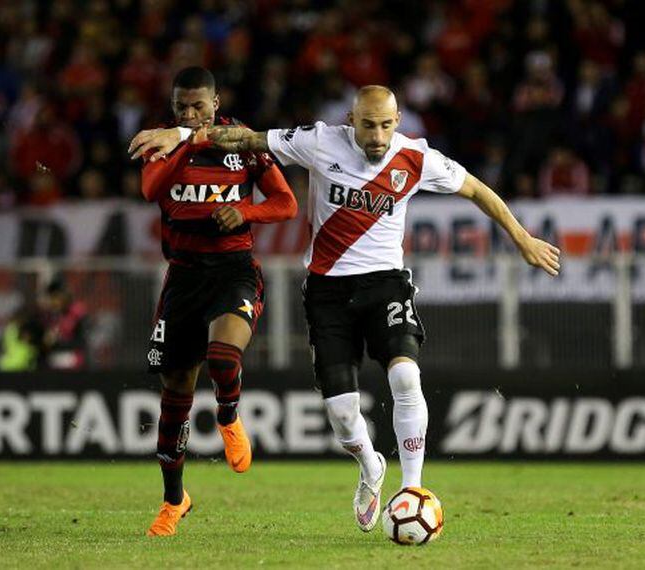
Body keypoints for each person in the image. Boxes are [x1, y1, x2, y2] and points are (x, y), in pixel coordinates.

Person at [129, 85, 559, 533]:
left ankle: (411, 489)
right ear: (351, 120)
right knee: (341, 412)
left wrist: (522, 239)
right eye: (368, 125)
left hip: (385, 283)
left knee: (405, 374)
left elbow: (476, 190)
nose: (377, 136)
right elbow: (246, 139)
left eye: (387, 126)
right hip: (327, 291)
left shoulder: (417, 158)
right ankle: (370, 464)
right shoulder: (320, 141)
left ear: (398, 123)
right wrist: (180, 134)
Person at [128, 66, 298, 536]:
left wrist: (244, 210)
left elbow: (286, 204)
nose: (189, 113)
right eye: (181, 106)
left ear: (216, 103)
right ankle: (173, 500)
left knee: (224, 356)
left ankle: (228, 414)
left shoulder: (241, 142)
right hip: (182, 277)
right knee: (176, 393)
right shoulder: (164, 143)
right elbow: (149, 190)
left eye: (198, 105)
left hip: (233, 270)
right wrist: (185, 137)